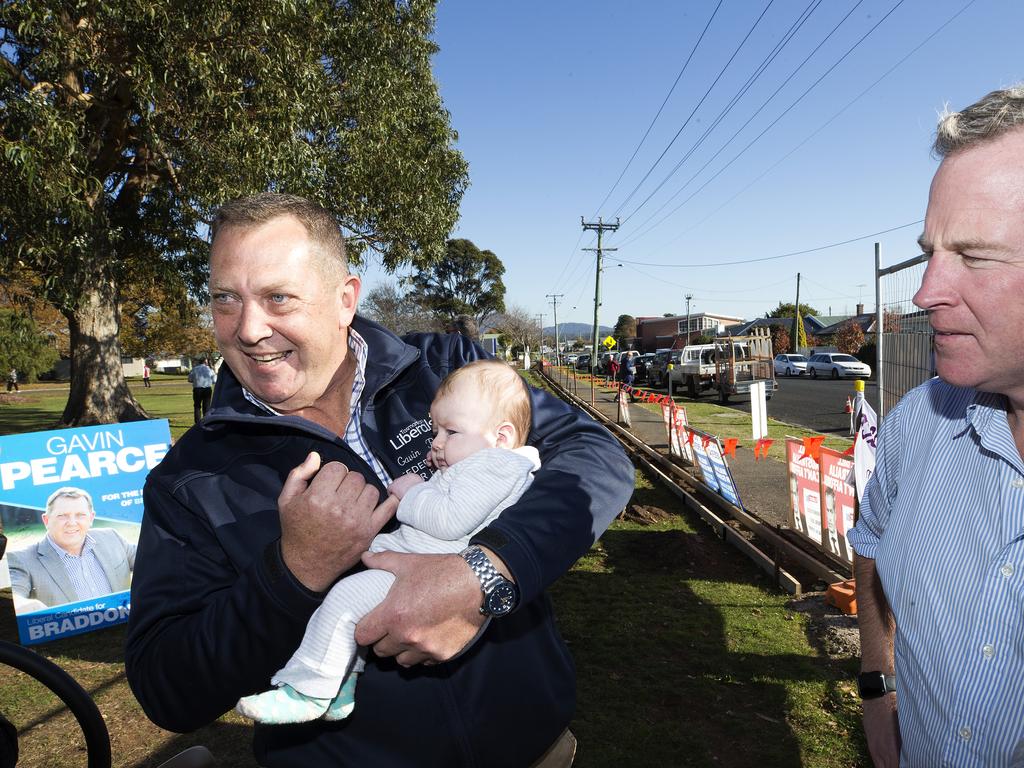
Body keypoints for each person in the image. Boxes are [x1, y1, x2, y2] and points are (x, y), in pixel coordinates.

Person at [125, 192, 634, 768]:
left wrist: (487, 574)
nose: (248, 329)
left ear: (345, 299)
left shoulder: (448, 370)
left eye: (278, 298)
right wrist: (293, 575)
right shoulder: (191, 477)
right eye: (225, 299)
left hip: (535, 750)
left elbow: (594, 454)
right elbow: (165, 686)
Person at [848, 85, 1024, 767]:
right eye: (930, 251)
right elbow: (871, 543)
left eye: (973, 256)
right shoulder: (918, 423)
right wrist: (875, 682)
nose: (924, 292)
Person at [236, 359, 539, 724]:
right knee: (355, 612)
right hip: (419, 569)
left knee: (344, 601)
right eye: (435, 432)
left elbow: (448, 520)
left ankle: (308, 691)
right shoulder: (485, 465)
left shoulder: (494, 466)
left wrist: (411, 493)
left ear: (500, 438)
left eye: (451, 433)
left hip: (420, 575)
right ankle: (342, 686)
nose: (437, 443)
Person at [7, 487, 136, 610]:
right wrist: (20, 604)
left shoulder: (111, 537)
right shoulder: (21, 559)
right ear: (46, 520)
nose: (72, 522)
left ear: (91, 518)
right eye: (62, 516)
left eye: (80, 515)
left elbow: (151, 559)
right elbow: (15, 595)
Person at [187, 357, 216, 423]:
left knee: (197, 406)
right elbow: (214, 380)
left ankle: (197, 422)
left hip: (197, 389)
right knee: (207, 406)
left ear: (199, 362)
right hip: (207, 389)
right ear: (206, 362)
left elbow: (189, 379)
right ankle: (206, 421)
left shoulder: (194, 369)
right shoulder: (210, 370)